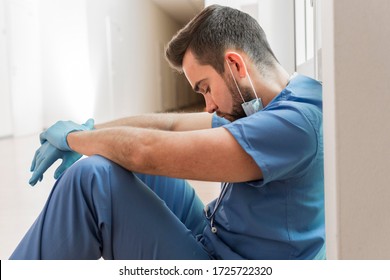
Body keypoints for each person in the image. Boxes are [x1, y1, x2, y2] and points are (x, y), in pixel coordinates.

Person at [10, 4, 325, 260]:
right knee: (114, 159)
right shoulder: (283, 96)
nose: (209, 106)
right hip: (216, 233)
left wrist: (73, 139)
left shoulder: (294, 123)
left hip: (233, 264)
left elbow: (144, 150)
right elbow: (169, 125)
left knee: (93, 180)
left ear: (235, 65)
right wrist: (88, 130)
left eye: (206, 88)